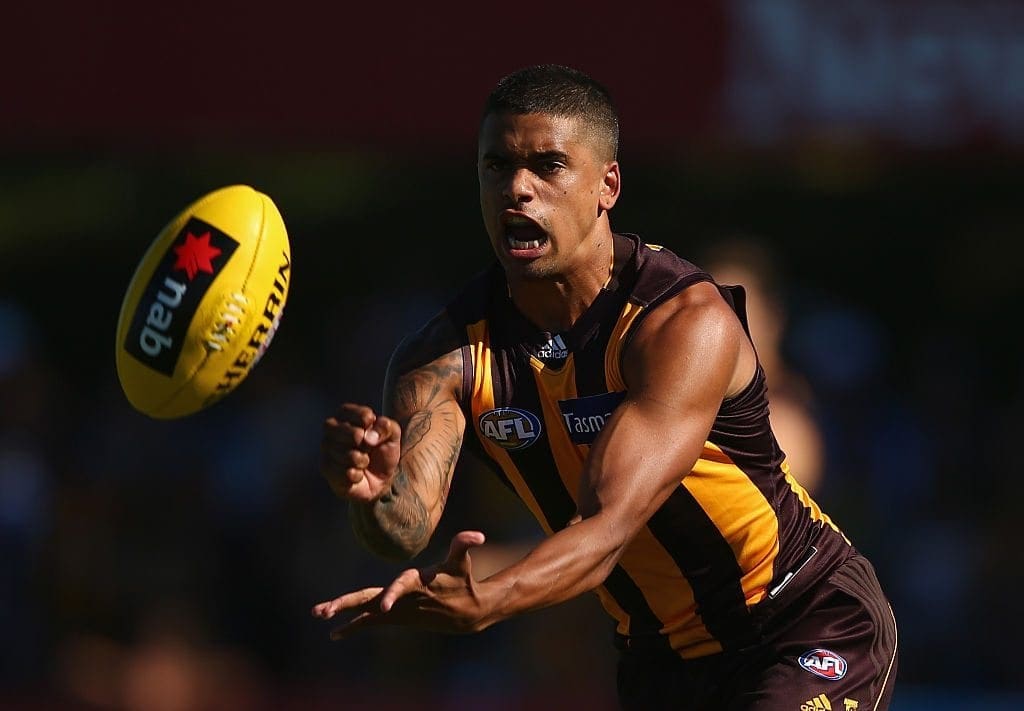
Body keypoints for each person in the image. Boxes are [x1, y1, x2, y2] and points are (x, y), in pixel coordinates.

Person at [315, 65, 898, 709]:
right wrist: (369, 494)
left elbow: (605, 529)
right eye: (496, 166)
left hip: (802, 622)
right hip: (659, 663)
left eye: (548, 166)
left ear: (607, 186)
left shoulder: (681, 322)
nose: (517, 189)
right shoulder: (441, 359)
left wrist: (490, 601)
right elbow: (404, 527)